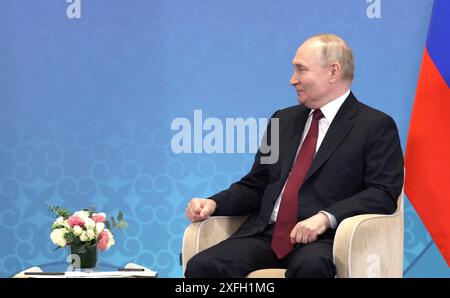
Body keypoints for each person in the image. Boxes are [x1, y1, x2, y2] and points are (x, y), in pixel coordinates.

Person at [184, 33, 404, 278]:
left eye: (301, 70)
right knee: (202, 266)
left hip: (324, 239)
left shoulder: (374, 125)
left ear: (333, 72)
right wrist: (214, 203)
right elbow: (256, 184)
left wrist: (325, 218)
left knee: (310, 268)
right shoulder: (282, 120)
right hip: (267, 234)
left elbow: (382, 192)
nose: (292, 80)